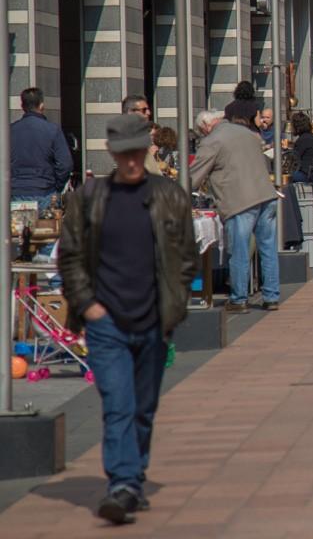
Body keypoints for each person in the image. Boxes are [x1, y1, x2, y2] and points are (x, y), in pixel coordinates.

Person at [57, 114, 197, 525]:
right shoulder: (90, 198)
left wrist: (174, 309)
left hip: (153, 319)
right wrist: (88, 306)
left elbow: (186, 260)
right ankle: (122, 484)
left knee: (144, 408)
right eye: (124, 153)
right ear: (112, 154)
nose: (132, 160)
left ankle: (133, 476)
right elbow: (70, 258)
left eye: (138, 151)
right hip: (106, 323)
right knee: (118, 405)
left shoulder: (170, 196)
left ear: (147, 150)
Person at [190, 115, 281, 313]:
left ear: (206, 126)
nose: (201, 135)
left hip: (241, 202)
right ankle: (271, 296)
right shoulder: (247, 133)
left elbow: (194, 176)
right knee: (268, 249)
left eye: (200, 132)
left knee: (239, 251)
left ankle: (239, 299)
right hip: (266, 194)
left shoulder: (212, 141)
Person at [11, 87, 73, 210]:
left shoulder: (9, 131)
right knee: (48, 227)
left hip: (16, 192)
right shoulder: (53, 130)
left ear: (22, 106)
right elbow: (66, 164)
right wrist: (57, 186)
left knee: (15, 228)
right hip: (45, 192)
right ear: (41, 105)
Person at [288, 112, 313, 184]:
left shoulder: (303, 139)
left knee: (280, 176)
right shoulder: (312, 137)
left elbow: (294, 157)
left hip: (305, 174)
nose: (290, 127)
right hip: (312, 173)